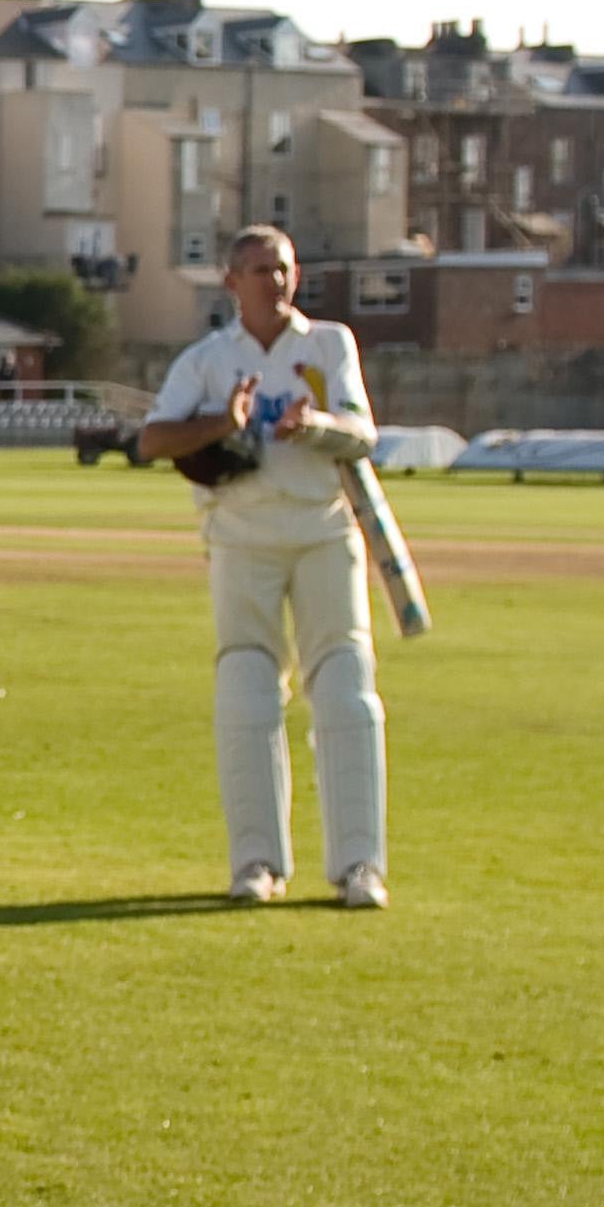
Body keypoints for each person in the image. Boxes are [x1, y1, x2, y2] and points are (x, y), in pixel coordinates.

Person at [139, 226, 387, 908]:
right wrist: (223, 423)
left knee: (344, 687)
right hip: (241, 536)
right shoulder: (209, 360)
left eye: (282, 269)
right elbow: (155, 438)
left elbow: (363, 433)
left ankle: (360, 866)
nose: (273, 282)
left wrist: (315, 426)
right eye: (258, 270)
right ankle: (256, 864)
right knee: (246, 687)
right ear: (231, 282)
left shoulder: (327, 343)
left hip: (322, 530)